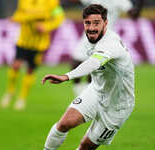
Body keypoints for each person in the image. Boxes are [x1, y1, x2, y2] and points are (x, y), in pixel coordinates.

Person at [42, 4, 135, 150]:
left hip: (117, 105)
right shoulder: (89, 40)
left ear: (106, 23)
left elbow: (93, 63)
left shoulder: (111, 43)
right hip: (96, 91)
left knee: (85, 146)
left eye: (96, 23)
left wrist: (67, 76)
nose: (91, 28)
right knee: (64, 124)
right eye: (88, 23)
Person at [0, 0, 65, 110]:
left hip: (39, 44)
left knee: (30, 70)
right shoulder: (24, 1)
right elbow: (20, 13)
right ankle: (10, 92)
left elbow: (59, 17)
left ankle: (22, 98)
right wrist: (15, 18)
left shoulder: (51, 2)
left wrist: (46, 26)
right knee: (15, 66)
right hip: (23, 41)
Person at [70, 0, 143, 96]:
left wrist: (141, 3)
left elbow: (134, 15)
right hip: (88, 36)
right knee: (76, 62)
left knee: (95, 68)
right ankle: (81, 94)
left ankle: (89, 97)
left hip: (105, 38)